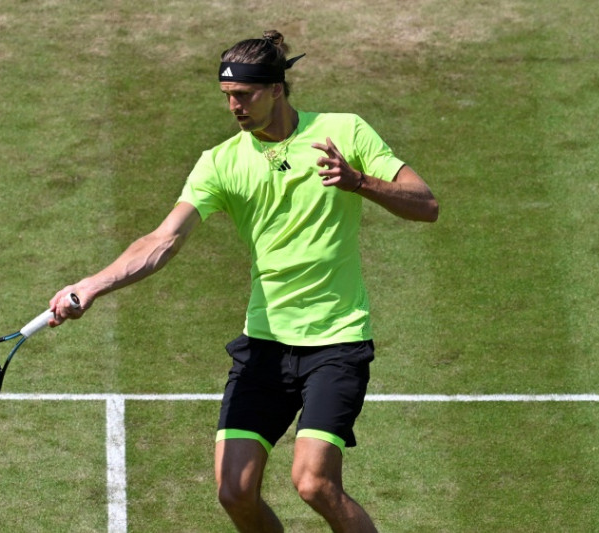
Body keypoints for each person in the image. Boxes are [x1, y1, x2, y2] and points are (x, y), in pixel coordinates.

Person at [48, 29, 438, 532]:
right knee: (234, 491)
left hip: (336, 341)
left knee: (314, 483)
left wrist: (359, 181)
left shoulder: (344, 131)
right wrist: (92, 285)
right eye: (227, 95)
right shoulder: (220, 162)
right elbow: (163, 240)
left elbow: (426, 205)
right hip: (265, 345)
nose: (234, 106)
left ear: (276, 88)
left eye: (244, 95)